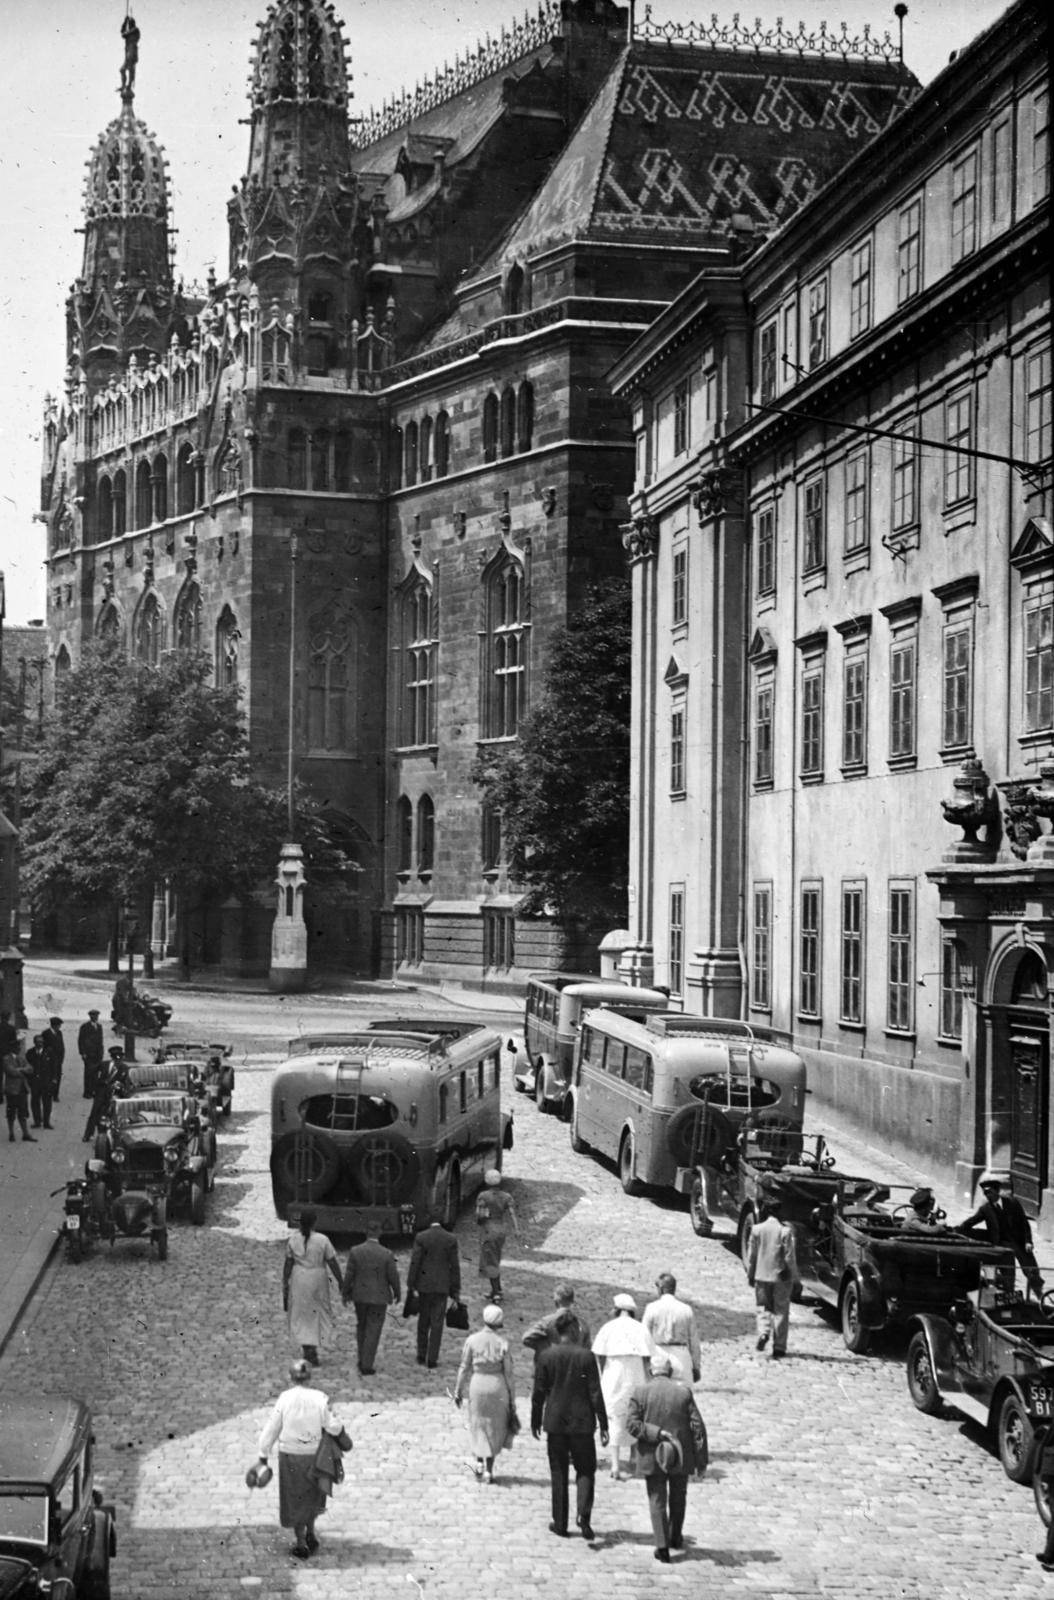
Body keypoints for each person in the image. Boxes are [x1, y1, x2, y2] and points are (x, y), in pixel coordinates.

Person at [531, 1309, 609, 1541]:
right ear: (574, 1331)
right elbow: (595, 1392)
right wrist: (603, 1423)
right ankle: (583, 1517)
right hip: (582, 1423)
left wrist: (536, 1419)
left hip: (555, 1421)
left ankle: (561, 1522)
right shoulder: (586, 1357)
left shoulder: (546, 1356)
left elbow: (539, 1392)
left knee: (559, 1472)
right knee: (585, 1469)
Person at [256, 1358, 346, 1560]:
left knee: (295, 1497)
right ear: (310, 1376)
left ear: (291, 1377)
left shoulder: (285, 1399)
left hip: (291, 1455)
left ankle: (301, 1541)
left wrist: (263, 1454)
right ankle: (311, 1533)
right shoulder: (320, 1398)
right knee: (313, 1495)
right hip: (315, 1455)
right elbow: (334, 1425)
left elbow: (272, 1427)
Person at [626, 1350, 708, 1563]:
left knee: (657, 1499)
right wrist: (701, 1462)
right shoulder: (683, 1393)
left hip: (652, 1454)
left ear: (650, 1371)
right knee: (678, 1497)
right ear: (670, 1371)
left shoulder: (641, 1392)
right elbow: (698, 1427)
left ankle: (662, 1546)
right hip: (680, 1453)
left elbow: (631, 1424)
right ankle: (675, 1536)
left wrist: (654, 1433)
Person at [592, 1292, 658, 1479]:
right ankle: (634, 1458)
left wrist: (604, 1374)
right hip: (635, 1373)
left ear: (616, 1309)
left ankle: (614, 1465)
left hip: (614, 1374)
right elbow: (648, 1358)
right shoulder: (640, 1328)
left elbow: (600, 1355)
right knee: (636, 1414)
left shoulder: (609, 1327)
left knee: (614, 1416)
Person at [453, 1302, 517, 1483]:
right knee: (495, 1426)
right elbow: (509, 1373)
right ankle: (489, 1470)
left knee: (478, 1423)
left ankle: (479, 1462)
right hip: (497, 1385)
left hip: (478, 1384)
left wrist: (458, 1390)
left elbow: (464, 1367)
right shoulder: (502, 1343)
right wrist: (512, 1398)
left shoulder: (472, 1340)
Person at [959, 1171, 1044, 1295]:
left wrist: (1028, 1242)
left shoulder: (1013, 1203)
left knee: (1031, 1271)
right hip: (1002, 1244)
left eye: (990, 1192)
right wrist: (958, 1228)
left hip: (1018, 1242)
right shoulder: (985, 1209)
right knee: (1008, 1273)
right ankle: (1010, 1295)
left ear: (998, 1191)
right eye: (985, 1193)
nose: (987, 1195)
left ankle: (1040, 1294)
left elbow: (1024, 1224)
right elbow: (971, 1221)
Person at [341, 1218, 400, 1375]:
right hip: (379, 1297)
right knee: (373, 1329)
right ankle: (367, 1364)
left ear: (365, 1232)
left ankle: (362, 1358)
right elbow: (393, 1276)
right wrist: (397, 1292)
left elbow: (349, 1275)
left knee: (362, 1326)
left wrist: (345, 1293)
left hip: (360, 1296)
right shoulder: (387, 1253)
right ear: (379, 1232)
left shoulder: (356, 1251)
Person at [283, 1208, 342, 1367]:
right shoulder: (323, 1240)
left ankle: (307, 1349)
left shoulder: (293, 1240)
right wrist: (341, 1281)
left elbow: (288, 1264)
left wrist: (285, 1283)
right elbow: (332, 1262)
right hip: (317, 1278)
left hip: (299, 1278)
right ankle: (313, 1348)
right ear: (315, 1222)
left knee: (302, 1314)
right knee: (317, 1312)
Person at [407, 1212, 462, 1368]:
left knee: (423, 1320)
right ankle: (432, 1358)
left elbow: (415, 1262)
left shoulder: (421, 1237)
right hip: (442, 1287)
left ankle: (421, 1354)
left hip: (424, 1286)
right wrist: (455, 1288)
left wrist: (411, 1283)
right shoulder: (450, 1239)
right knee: (437, 1322)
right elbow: (454, 1266)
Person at [747, 1199, 800, 1358]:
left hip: (761, 1276)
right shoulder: (785, 1231)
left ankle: (763, 1333)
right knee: (781, 1311)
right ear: (779, 1212)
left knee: (763, 1307)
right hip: (781, 1278)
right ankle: (779, 1347)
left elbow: (752, 1256)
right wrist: (796, 1278)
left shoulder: (756, 1230)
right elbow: (790, 1258)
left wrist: (751, 1274)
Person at [642, 1272, 701, 1384]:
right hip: (681, 1356)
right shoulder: (686, 1309)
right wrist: (696, 1366)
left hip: (658, 1356)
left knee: (658, 1394)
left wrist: (645, 1363)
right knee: (683, 1394)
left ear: (662, 1289)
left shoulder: (651, 1308)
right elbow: (694, 1340)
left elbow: (644, 1338)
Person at [476, 1168, 518, 1302]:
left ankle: (496, 1293)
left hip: (489, 1229)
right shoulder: (506, 1196)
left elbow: (480, 1215)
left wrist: (479, 1219)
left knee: (490, 1261)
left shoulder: (484, 1196)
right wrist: (516, 1228)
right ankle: (497, 1288)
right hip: (501, 1228)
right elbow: (512, 1213)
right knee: (496, 1258)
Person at [523, 1282, 592, 1360]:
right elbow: (587, 1349)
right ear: (572, 1301)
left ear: (556, 1302)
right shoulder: (582, 1324)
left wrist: (544, 1346)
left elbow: (526, 1338)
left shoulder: (547, 1321)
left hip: (550, 1363)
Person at [83, 1047, 128, 1143]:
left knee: (109, 1115)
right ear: (113, 1059)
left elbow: (126, 1081)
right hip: (101, 1093)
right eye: (117, 1059)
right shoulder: (104, 1065)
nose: (119, 1062)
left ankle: (103, 1136)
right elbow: (91, 1070)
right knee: (94, 1113)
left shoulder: (124, 1068)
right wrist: (97, 1083)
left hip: (113, 1095)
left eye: (120, 1059)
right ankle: (88, 1134)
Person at [3, 1044, 35, 1143]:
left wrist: (21, 1070)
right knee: (11, 1112)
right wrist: (23, 1070)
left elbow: (30, 1069)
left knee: (22, 1112)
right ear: (12, 1048)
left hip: (22, 1089)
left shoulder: (21, 1058)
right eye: (17, 1047)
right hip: (12, 1089)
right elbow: (11, 1072)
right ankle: (11, 1133)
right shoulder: (6, 1059)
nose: (19, 1049)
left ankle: (25, 1134)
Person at [26, 1035, 53, 1130]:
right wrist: (29, 1082)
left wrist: (54, 1080)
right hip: (35, 1082)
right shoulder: (30, 1053)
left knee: (47, 1102)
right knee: (35, 1102)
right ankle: (37, 1121)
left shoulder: (49, 1052)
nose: (40, 1043)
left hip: (46, 1082)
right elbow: (27, 1067)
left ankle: (46, 1122)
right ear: (34, 1042)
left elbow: (54, 1067)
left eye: (41, 1041)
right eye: (38, 1041)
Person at [78, 1010, 105, 1100]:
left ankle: (93, 1091)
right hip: (89, 1054)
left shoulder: (99, 1027)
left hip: (97, 1054)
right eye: (93, 1016)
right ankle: (87, 1092)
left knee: (96, 1074)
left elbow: (100, 1041)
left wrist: (101, 1052)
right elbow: (81, 1040)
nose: (95, 1018)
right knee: (88, 1073)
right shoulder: (85, 1027)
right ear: (90, 1017)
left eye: (96, 1016)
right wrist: (83, 1053)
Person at [41, 1017, 65, 1104]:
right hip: (49, 1060)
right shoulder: (45, 1033)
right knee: (48, 1076)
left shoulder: (59, 1033)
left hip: (58, 1059)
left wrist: (62, 1058)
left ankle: (55, 1095)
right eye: (58, 1025)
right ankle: (48, 1094)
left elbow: (62, 1046)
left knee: (57, 1077)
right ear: (54, 1025)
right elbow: (43, 1046)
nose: (59, 1027)